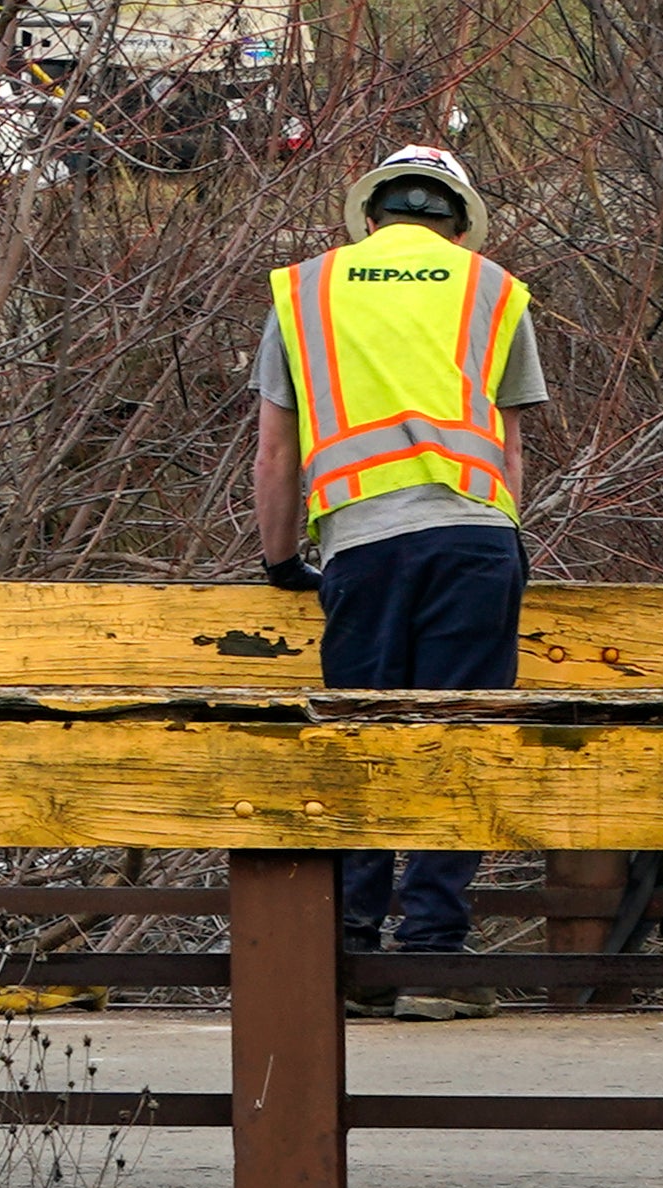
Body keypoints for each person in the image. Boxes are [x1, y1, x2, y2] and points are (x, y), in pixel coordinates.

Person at [251, 143, 549, 1019]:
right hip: (475, 542)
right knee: (458, 743)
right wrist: (503, 539)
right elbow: (512, 448)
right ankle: (432, 959)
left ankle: (351, 953)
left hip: (362, 549)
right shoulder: (493, 290)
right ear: (457, 225)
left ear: (372, 217)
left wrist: (280, 562)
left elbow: (276, 454)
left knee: (363, 741)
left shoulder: (304, 293)